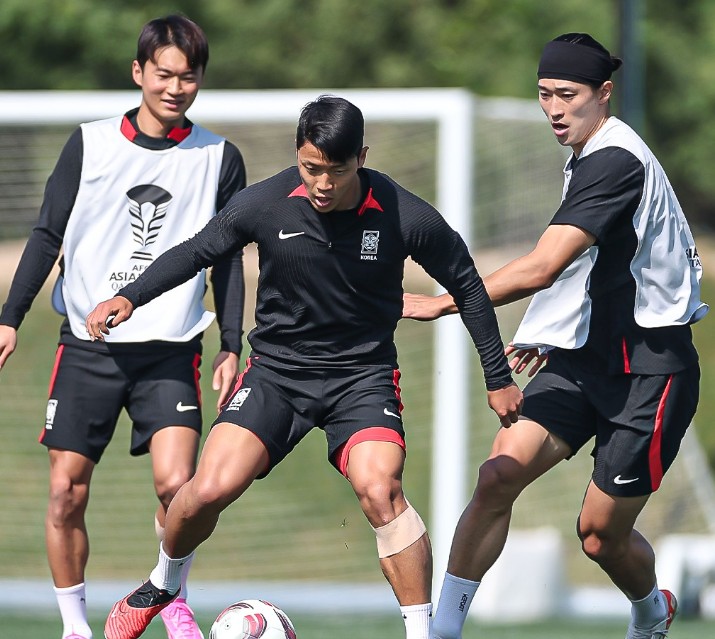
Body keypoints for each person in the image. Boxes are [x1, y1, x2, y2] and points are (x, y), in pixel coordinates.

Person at [85, 94, 523, 639]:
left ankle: (424, 633)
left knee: (381, 488)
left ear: (361, 157)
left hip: (361, 379)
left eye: (336, 171)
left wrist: (497, 378)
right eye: (310, 167)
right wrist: (129, 298)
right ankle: (164, 581)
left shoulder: (404, 214)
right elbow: (198, 250)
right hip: (277, 375)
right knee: (203, 491)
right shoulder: (265, 203)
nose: (321, 183)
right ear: (298, 154)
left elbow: (469, 287)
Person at [402, 33, 708, 639]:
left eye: (568, 95)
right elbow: (593, 263)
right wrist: (549, 330)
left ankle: (651, 607)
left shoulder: (616, 159)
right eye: (545, 95)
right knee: (497, 475)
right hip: (584, 360)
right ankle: (442, 631)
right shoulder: (590, 155)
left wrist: (444, 302)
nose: (554, 110)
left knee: (598, 536)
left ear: (605, 94)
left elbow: (544, 264)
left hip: (650, 376)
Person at [0, 15, 247, 639]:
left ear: (199, 81)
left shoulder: (220, 157)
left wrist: (231, 342)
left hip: (171, 347)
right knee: (66, 493)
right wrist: (9, 320)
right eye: (163, 74)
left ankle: (172, 601)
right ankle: (75, 627)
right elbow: (46, 236)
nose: (175, 87)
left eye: (187, 77)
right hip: (89, 347)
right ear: (138, 73)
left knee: (177, 487)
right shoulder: (90, 144)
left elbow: (228, 259)